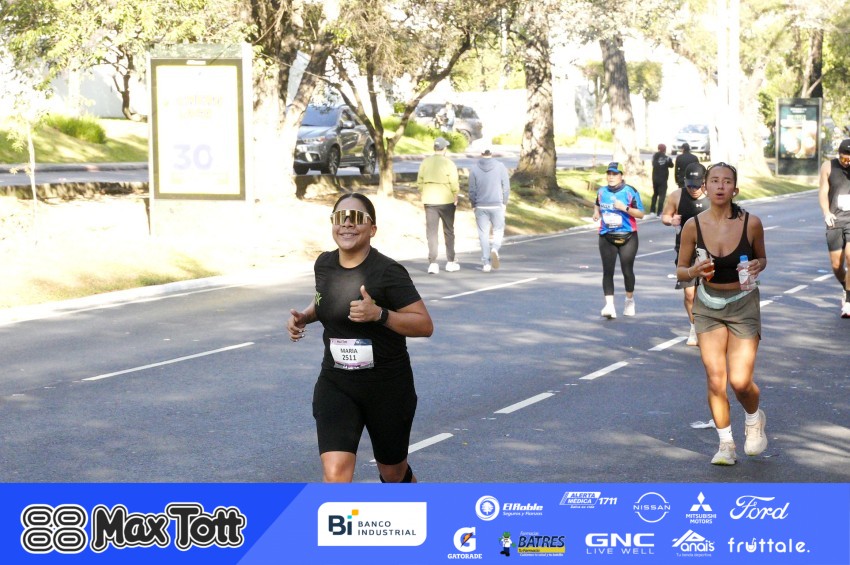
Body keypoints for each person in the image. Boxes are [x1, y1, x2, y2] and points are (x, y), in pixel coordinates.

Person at [287, 193, 434, 482]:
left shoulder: (388, 272)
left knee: (393, 472)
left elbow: (424, 325)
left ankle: (421, 508)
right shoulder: (324, 264)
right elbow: (324, 300)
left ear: (372, 229)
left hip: (387, 387)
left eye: (356, 218)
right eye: (340, 217)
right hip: (337, 382)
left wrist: (380, 314)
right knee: (335, 473)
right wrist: (305, 316)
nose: (347, 224)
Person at [676, 162, 768, 465]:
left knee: (740, 381)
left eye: (726, 181)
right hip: (708, 305)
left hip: (743, 303)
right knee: (716, 378)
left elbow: (762, 258)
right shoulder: (693, 226)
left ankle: (754, 419)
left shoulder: (751, 223)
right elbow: (681, 270)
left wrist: (756, 265)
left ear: (735, 189)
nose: (720, 186)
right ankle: (726, 443)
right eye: (714, 180)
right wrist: (694, 271)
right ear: (705, 186)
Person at [661, 161, 709, 345]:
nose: (694, 190)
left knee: (708, 293)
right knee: (690, 294)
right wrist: (671, 220)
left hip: (709, 251)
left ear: (705, 182)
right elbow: (665, 216)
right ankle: (694, 327)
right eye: (690, 186)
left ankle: (710, 327)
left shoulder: (713, 196)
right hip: (685, 250)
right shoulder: (677, 195)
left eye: (697, 186)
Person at [592, 161, 645, 318]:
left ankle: (629, 300)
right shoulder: (602, 191)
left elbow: (641, 214)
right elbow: (597, 203)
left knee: (627, 271)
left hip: (627, 236)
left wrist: (625, 208)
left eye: (615, 174)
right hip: (606, 236)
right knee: (607, 271)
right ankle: (609, 306)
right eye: (609, 174)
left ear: (621, 176)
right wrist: (596, 212)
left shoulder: (630, 191)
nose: (611, 177)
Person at [416, 136, 460, 274]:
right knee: (448, 231)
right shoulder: (449, 163)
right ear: (444, 148)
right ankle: (450, 261)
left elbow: (419, 182)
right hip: (446, 200)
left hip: (430, 200)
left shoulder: (425, 162)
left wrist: (424, 192)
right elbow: (454, 182)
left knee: (432, 232)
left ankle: (433, 263)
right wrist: (455, 195)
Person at [818, 138, 850, 318]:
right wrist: (826, 212)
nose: (847, 163)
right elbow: (823, 191)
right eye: (844, 159)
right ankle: (846, 286)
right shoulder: (828, 166)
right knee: (837, 265)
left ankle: (849, 302)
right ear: (839, 155)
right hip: (835, 219)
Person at [468, 148, 510, 272]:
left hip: (481, 205)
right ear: (492, 153)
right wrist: (504, 202)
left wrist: (473, 204)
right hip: (496, 204)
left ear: (481, 153)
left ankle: (486, 262)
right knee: (498, 230)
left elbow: (472, 189)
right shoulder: (500, 166)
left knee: (483, 234)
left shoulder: (474, 168)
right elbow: (506, 187)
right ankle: (495, 248)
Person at [650, 143, 674, 216]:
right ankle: (659, 212)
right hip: (663, 179)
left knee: (655, 194)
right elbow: (671, 165)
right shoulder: (667, 158)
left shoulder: (655, 156)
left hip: (655, 178)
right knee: (662, 196)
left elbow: (653, 164)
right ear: (665, 150)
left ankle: (652, 211)